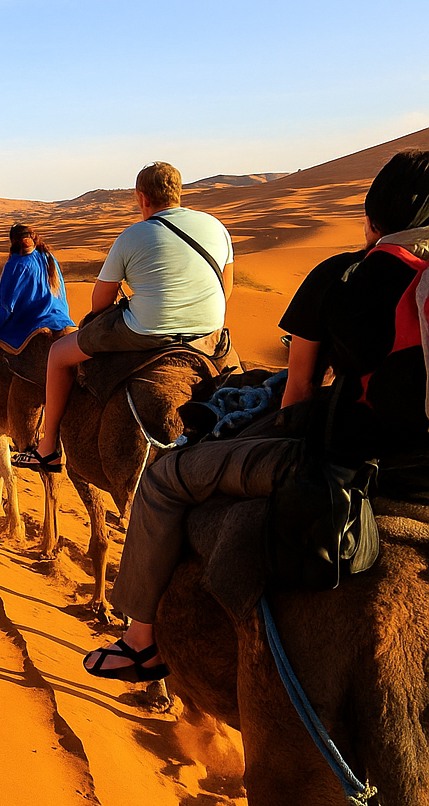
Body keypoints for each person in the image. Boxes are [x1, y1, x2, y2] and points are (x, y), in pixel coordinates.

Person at [83, 150, 429, 681]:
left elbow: (299, 390)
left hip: (353, 463)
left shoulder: (343, 275)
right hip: (215, 340)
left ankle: (141, 641)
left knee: (164, 479)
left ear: (374, 214)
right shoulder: (215, 229)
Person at [13, 162, 235, 474]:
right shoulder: (216, 227)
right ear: (178, 193)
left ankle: (48, 448)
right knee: (238, 375)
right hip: (208, 333)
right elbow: (227, 289)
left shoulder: (134, 235)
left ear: (143, 198)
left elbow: (101, 300)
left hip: (145, 331)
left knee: (59, 355)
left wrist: (102, 321)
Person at [0, 224, 75, 412]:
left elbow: (7, 306)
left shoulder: (16, 264)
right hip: (62, 319)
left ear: (12, 242)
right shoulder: (49, 258)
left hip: (31, 321)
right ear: (34, 237)